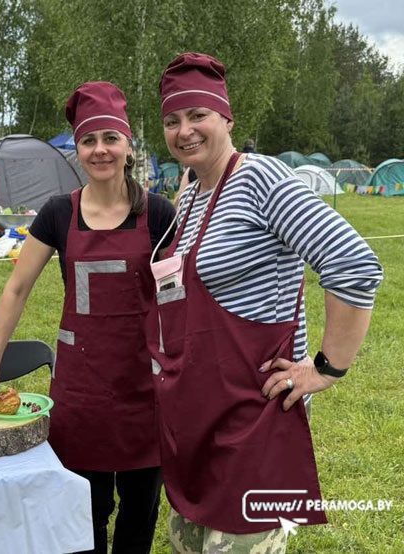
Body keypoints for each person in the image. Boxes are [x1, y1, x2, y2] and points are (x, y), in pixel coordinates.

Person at [149, 52, 383, 553]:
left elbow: (356, 266)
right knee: (189, 540)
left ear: (226, 118)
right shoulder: (189, 195)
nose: (184, 130)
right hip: (203, 410)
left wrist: (325, 368)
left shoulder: (261, 179)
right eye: (172, 121)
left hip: (254, 414)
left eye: (197, 115)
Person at [0, 82, 176, 554]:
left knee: (140, 508)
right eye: (88, 140)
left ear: (128, 144)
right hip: (81, 390)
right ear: (76, 150)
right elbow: (17, 288)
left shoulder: (159, 213)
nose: (100, 150)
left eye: (110, 138)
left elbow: (180, 298)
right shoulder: (58, 213)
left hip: (145, 390)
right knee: (85, 508)